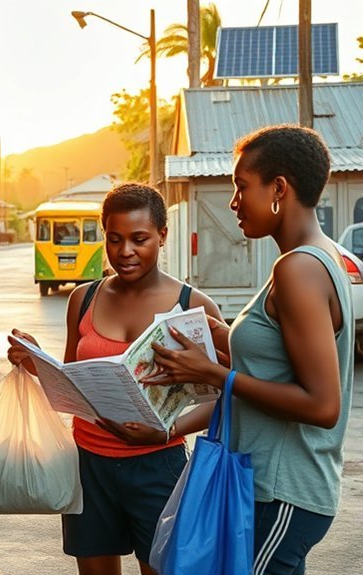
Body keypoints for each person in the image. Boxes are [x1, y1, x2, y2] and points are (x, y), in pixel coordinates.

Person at [147, 125, 353, 574]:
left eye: (242, 186)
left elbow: (323, 405)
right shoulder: (319, 256)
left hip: (281, 492)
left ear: (279, 188)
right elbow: (281, 356)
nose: (234, 202)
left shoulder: (298, 268)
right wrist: (221, 338)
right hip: (266, 488)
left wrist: (214, 372)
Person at [6, 183, 224, 575]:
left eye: (139, 239)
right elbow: (73, 381)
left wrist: (166, 431)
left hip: (159, 466)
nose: (125, 252)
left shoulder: (193, 307)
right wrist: (36, 359)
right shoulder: (83, 299)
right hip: (88, 466)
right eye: (114, 239)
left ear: (162, 235)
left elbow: (224, 392)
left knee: (160, 568)